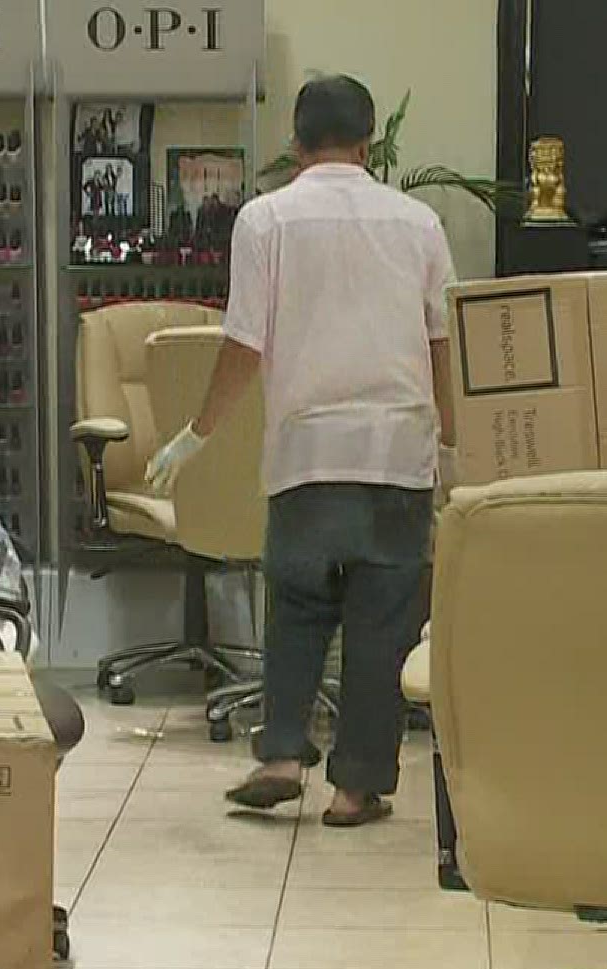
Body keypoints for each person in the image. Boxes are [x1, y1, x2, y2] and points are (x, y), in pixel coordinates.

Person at [144, 74, 457, 828]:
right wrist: (453, 442)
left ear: (294, 141)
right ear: (372, 142)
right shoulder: (419, 224)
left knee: (297, 610)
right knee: (382, 632)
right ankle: (354, 791)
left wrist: (197, 433)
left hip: (306, 458)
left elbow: (243, 344)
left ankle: (282, 755)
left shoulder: (266, 219)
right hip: (396, 456)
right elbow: (443, 343)